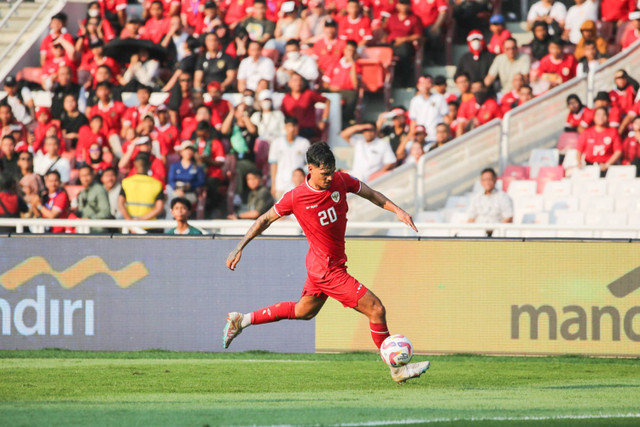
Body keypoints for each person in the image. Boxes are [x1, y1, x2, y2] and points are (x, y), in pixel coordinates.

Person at [222, 142, 430, 384]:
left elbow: (371, 194)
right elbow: (265, 219)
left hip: (322, 264)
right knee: (376, 309)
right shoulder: (296, 197)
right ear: (310, 169)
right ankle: (397, 370)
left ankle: (242, 320)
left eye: (332, 171)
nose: (330, 178)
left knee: (304, 311)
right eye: (324, 173)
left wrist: (398, 211)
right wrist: (239, 247)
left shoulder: (341, 180)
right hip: (327, 270)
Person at [268, 117, 311, 198]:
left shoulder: (304, 143)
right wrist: (273, 185)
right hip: (280, 184)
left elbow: (308, 165)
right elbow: (273, 165)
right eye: (289, 126)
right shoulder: (276, 143)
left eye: (294, 126)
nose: (291, 129)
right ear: (285, 127)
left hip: (298, 185)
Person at [281, 73, 330, 140]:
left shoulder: (309, 94)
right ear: (289, 83)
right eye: (295, 80)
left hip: (308, 131)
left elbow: (327, 101)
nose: (298, 83)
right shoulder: (286, 99)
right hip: (293, 132)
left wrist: (324, 120)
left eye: (300, 80)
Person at [322, 40, 361, 126]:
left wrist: (352, 65)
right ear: (344, 50)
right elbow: (325, 82)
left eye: (352, 51)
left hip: (346, 92)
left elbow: (355, 85)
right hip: (332, 90)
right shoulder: (335, 64)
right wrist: (330, 87)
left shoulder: (356, 66)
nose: (349, 53)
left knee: (352, 95)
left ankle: (345, 119)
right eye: (348, 50)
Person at [576, 107, 622, 176]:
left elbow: (618, 151)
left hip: (607, 167)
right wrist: (579, 162)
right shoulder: (586, 132)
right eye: (598, 114)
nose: (601, 117)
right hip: (590, 167)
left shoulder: (613, 132)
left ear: (607, 117)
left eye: (603, 115)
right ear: (594, 117)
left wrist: (607, 164)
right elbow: (579, 150)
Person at [118, 153, 165, 220]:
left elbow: (120, 204)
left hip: (130, 226)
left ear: (135, 165)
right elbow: (159, 207)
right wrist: (141, 219)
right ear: (149, 165)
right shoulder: (157, 184)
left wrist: (130, 221)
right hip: (150, 225)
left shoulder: (126, 182)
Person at [467, 168, 513, 233]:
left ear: (495, 180)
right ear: (481, 182)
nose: (487, 182)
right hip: (478, 233)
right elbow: (471, 218)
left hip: (497, 234)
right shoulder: (476, 198)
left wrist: (495, 231)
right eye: (484, 180)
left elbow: (509, 218)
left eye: (489, 179)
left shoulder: (503, 197)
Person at [408, 75, 448, 143]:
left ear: (432, 85)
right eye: (423, 83)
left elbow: (446, 118)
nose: (425, 86)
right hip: (421, 137)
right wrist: (412, 135)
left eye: (428, 83)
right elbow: (413, 122)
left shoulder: (439, 98)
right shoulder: (414, 101)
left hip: (436, 137)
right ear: (418, 85)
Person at [168, 140, 206, 207]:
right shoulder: (174, 166)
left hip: (191, 193)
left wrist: (190, 185)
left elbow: (201, 181)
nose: (188, 152)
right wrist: (176, 189)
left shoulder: (197, 167)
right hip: (176, 192)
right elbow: (171, 180)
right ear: (181, 152)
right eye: (186, 150)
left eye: (190, 150)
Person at [76, 165, 112, 232]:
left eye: (87, 175)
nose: (85, 179)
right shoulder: (82, 192)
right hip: (84, 228)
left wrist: (90, 219)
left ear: (93, 175)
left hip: (98, 230)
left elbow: (106, 212)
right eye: (82, 176)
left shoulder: (99, 190)